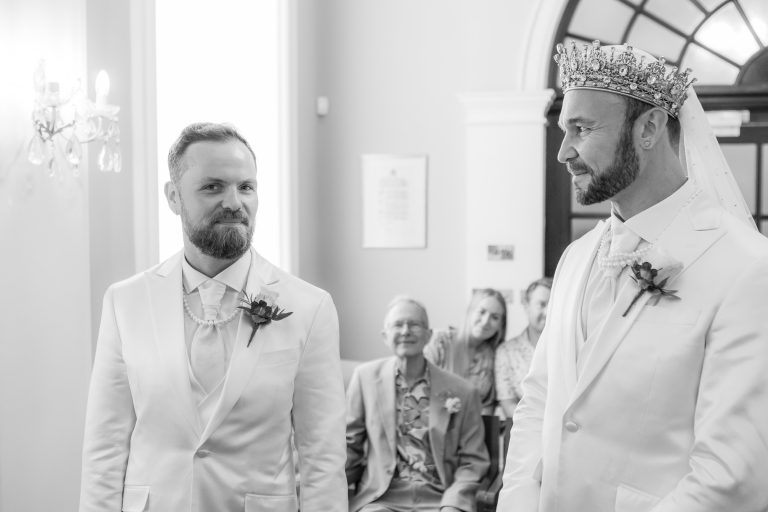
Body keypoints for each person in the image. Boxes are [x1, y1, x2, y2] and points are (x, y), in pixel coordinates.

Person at [498, 41, 768, 512]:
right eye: (564, 130)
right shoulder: (576, 258)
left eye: (582, 129)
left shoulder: (746, 268)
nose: (563, 152)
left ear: (649, 128)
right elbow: (539, 401)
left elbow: (730, 476)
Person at [80, 122, 348, 512]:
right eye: (212, 187)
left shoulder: (310, 307)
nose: (234, 203)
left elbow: (322, 456)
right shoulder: (125, 302)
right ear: (173, 197)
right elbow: (105, 447)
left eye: (246, 187)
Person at [346, 297, 489, 512]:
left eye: (414, 324)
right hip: (382, 499)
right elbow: (350, 445)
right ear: (385, 336)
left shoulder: (463, 391)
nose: (406, 331)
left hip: (440, 498)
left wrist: (454, 503)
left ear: (429, 335)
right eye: (398, 325)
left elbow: (473, 461)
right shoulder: (365, 378)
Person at [424, 289, 507, 414]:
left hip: (473, 423)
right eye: (481, 312)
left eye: (495, 317)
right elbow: (419, 388)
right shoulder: (440, 342)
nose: (485, 321)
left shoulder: (494, 356)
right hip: (431, 419)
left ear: (501, 325)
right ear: (470, 311)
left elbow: (488, 406)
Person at [494, 277, 552, 419]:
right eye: (542, 304)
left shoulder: (570, 348)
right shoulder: (506, 352)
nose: (548, 312)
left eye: (553, 305)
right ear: (526, 306)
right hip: (523, 425)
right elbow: (508, 404)